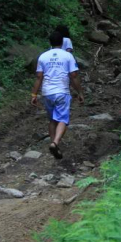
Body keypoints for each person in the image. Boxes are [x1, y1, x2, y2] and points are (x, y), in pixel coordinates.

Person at [30, 31, 84, 159]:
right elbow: (74, 75)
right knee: (63, 119)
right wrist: (79, 92)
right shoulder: (68, 56)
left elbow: (39, 77)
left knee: (52, 120)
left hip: (47, 93)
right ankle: (55, 143)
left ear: (50, 42)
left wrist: (34, 94)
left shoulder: (43, 56)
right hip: (61, 92)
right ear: (62, 42)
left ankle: (53, 145)